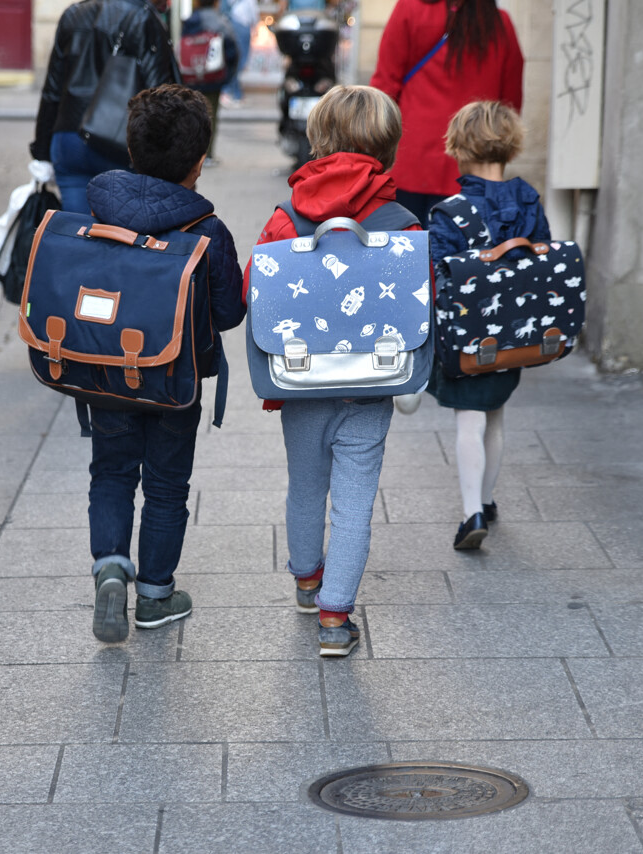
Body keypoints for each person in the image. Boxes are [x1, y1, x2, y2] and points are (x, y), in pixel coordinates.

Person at [246, 85, 422, 657]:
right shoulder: (401, 220)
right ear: (388, 145)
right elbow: (424, 297)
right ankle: (334, 619)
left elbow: (256, 290)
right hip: (372, 382)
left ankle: (306, 580)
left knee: (305, 484)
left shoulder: (286, 215)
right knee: (354, 500)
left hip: (301, 381)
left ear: (317, 139)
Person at [82, 85, 245, 642]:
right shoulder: (208, 230)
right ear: (199, 162)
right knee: (167, 486)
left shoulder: (96, 208)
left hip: (106, 374)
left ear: (131, 150)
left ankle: (109, 567)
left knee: (111, 472)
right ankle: (155, 596)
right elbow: (229, 314)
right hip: (176, 382)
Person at [428, 100, 549, 550]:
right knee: (495, 414)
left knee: (469, 420)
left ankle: (470, 512)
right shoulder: (529, 201)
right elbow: (544, 259)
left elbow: (437, 279)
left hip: (466, 336)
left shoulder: (449, 212)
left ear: (459, 144)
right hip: (515, 332)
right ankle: (488, 497)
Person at [369, 0, 523, 224]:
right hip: (474, 164)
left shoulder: (410, 10)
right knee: (464, 255)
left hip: (411, 159)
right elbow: (509, 106)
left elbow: (385, 87)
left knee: (408, 251)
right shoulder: (500, 24)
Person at [30, 0, 180, 214]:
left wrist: (42, 152)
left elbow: (52, 90)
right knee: (119, 236)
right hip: (117, 141)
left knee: (77, 233)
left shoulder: (72, 14)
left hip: (69, 138)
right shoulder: (144, 18)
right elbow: (160, 96)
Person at [181, 0, 239, 162]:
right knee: (210, 116)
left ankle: (192, 154)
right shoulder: (220, 22)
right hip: (213, 77)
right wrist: (227, 76)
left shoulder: (189, 21)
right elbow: (232, 51)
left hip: (190, 76)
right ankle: (207, 155)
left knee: (192, 115)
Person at [220, 0, 257, 106]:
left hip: (230, 24)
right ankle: (231, 92)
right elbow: (253, 11)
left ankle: (234, 93)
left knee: (233, 60)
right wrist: (255, 24)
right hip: (242, 25)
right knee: (239, 61)